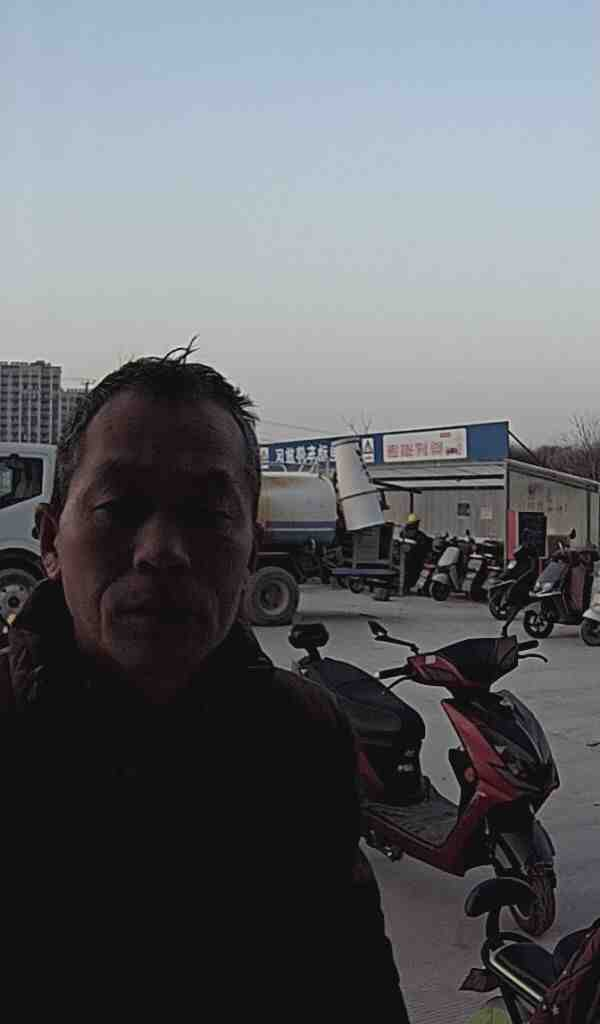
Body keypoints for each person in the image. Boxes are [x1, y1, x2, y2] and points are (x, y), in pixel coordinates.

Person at [0, 344, 410, 1021]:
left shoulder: (303, 736)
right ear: (50, 540)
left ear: (251, 552)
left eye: (208, 515)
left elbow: (352, 973)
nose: (161, 551)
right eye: (119, 506)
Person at [398, 512, 431, 592]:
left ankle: (406, 587)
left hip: (405, 557)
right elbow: (424, 543)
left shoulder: (403, 533)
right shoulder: (417, 535)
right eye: (417, 523)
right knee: (414, 572)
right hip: (415, 558)